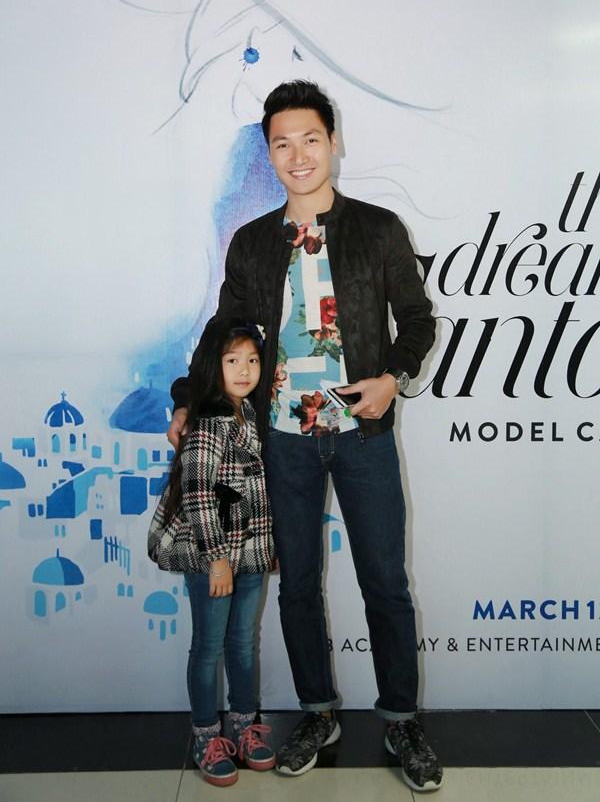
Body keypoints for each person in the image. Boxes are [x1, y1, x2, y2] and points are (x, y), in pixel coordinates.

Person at [168, 81, 443, 792]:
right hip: (280, 441)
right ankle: (318, 713)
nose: (298, 155)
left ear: (334, 142)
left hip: (362, 433)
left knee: (386, 583)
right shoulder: (253, 242)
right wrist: (188, 401)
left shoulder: (378, 230)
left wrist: (393, 378)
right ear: (269, 154)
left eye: (311, 139)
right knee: (297, 589)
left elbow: (417, 319)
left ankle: (402, 719)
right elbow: (221, 334)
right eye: (282, 143)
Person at [148, 317, 276, 788]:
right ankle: (207, 735)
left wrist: (265, 548)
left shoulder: (252, 416)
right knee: (208, 647)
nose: (244, 370)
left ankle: (243, 725)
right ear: (211, 365)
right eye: (232, 360)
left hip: (251, 557)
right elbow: (200, 496)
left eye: (252, 360)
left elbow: (257, 492)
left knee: (243, 643)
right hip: (214, 560)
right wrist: (217, 560)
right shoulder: (207, 424)